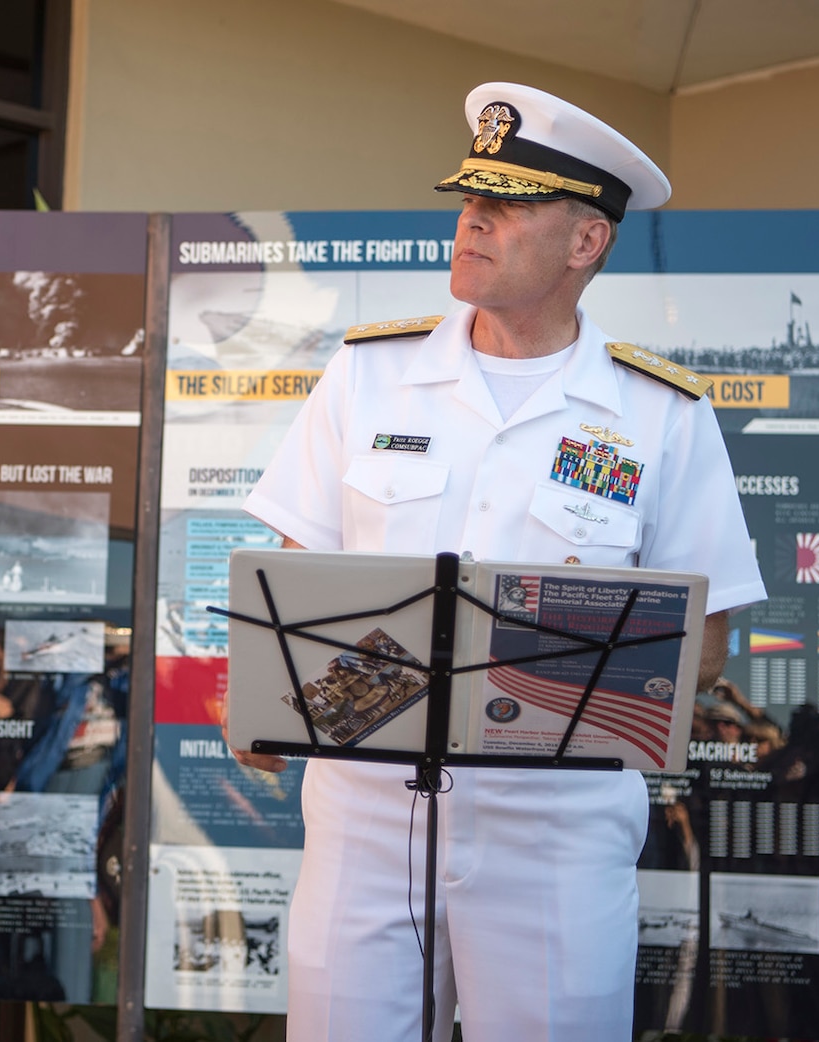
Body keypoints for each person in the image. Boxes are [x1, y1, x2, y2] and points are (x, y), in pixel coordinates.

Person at [235, 83, 766, 1042]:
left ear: (586, 242)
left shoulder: (660, 416)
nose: (471, 220)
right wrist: (267, 699)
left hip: (555, 831)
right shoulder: (368, 373)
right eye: (469, 200)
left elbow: (710, 644)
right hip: (363, 816)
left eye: (507, 206)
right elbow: (292, 580)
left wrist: (528, 693)